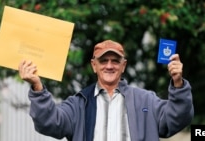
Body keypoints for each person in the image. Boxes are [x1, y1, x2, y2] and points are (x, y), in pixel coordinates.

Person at [18, 39, 194, 141]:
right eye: (103, 61)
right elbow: (49, 123)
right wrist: (37, 87)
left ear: (123, 66)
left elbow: (178, 117)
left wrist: (178, 83)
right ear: (94, 65)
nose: (109, 66)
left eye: (115, 61)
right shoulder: (78, 104)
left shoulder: (145, 100)